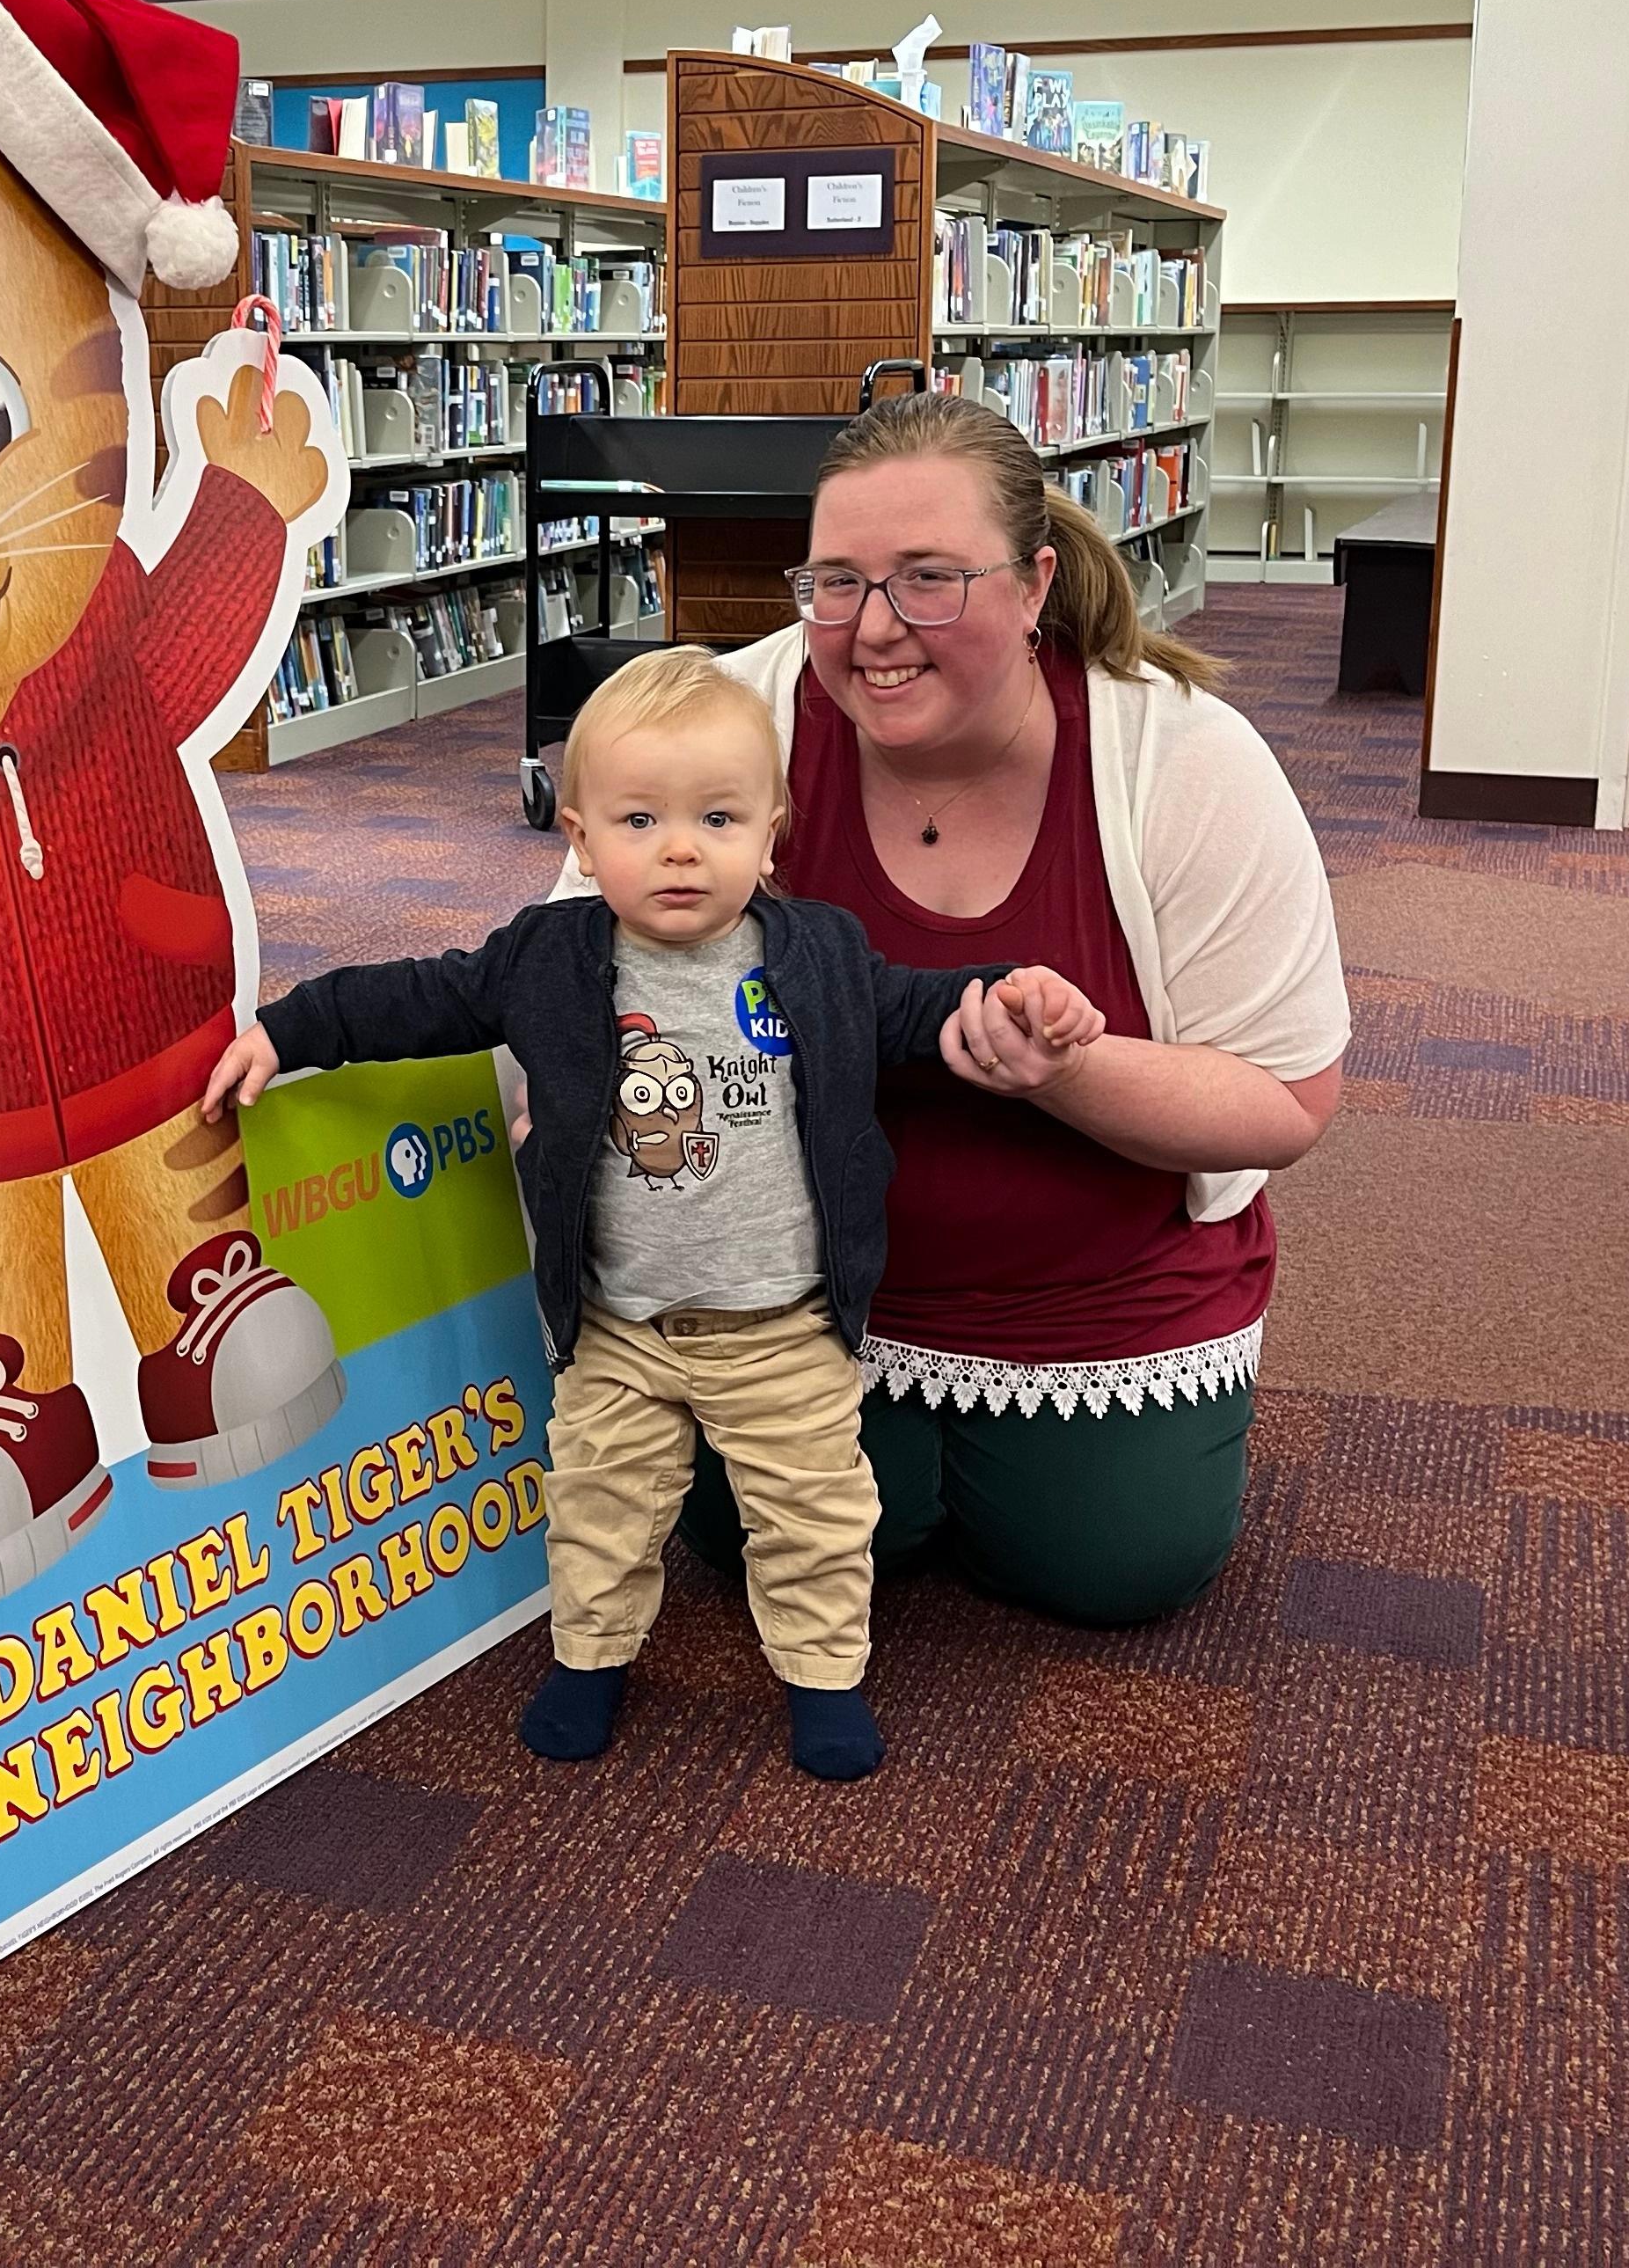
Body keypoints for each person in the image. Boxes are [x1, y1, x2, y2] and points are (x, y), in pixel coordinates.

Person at [205, 648, 1105, 1776]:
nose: (680, 848)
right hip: (621, 1331)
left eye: (718, 818)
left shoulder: (819, 953)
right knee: (596, 1510)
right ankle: (589, 1661)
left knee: (818, 1519)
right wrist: (289, 1030)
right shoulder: (548, 958)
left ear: (772, 831)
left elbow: (927, 1008)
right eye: (639, 820)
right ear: (579, 838)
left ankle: (825, 1680)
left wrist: (1017, 989)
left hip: (782, 1327)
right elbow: (419, 995)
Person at [564, 393, 1348, 1625]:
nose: (873, 631)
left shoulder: (1181, 759)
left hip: (1097, 1295)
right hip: (782, 1290)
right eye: (833, 582)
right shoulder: (735, 716)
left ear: (1033, 583)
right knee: (733, 1537)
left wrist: (1062, 1072)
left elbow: (1283, 1101)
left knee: (1109, 1570)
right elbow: (565, 969)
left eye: (927, 579)